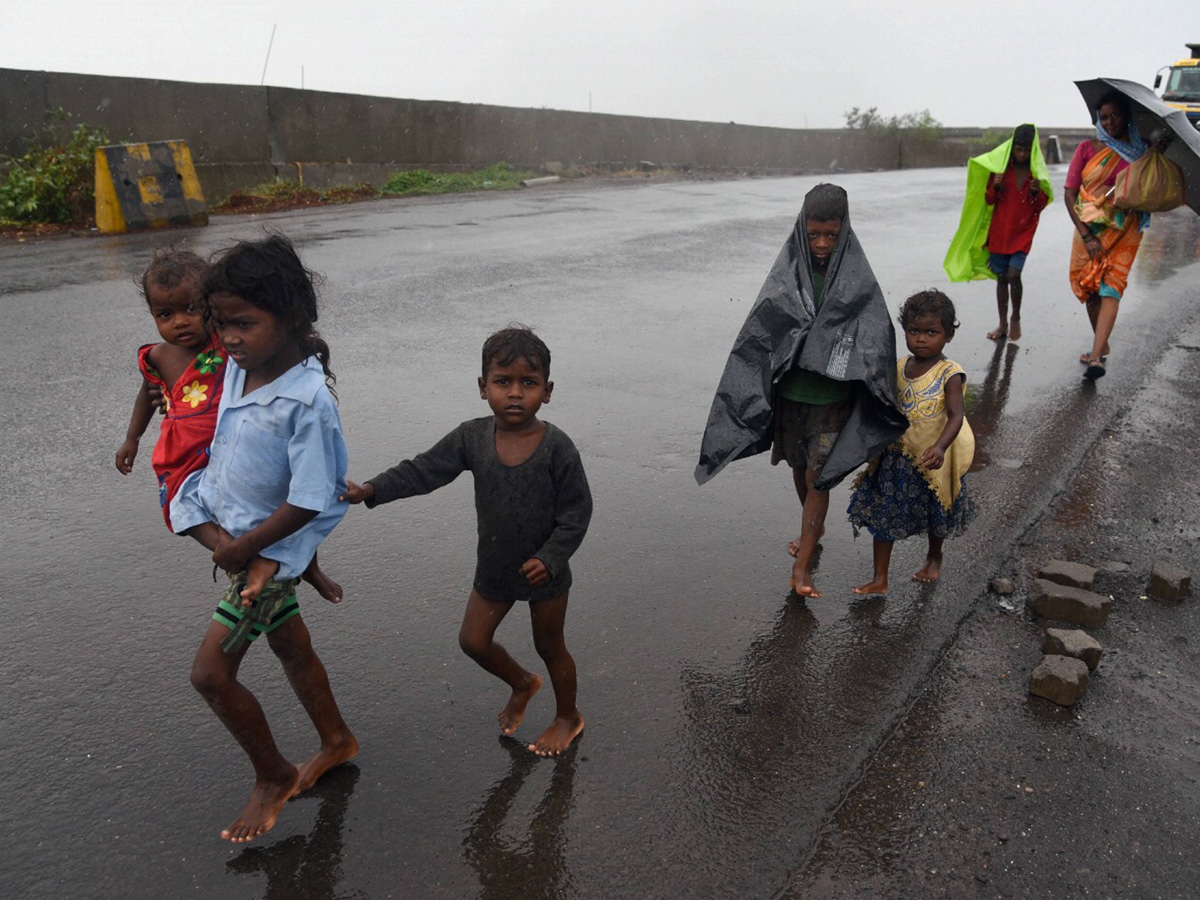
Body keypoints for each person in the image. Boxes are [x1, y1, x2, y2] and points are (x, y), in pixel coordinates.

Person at [170, 235, 358, 843]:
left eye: (243, 324)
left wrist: (247, 552)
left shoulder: (305, 401)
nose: (227, 338)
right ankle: (337, 740)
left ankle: (273, 775)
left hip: (261, 559)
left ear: (293, 318)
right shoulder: (239, 369)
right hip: (245, 541)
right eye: (220, 324)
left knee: (210, 675)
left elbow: (308, 497)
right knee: (293, 650)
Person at [342, 326, 592, 757]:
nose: (515, 394)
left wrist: (551, 557)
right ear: (483, 387)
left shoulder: (558, 448)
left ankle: (568, 716)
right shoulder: (472, 438)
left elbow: (577, 512)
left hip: (545, 574)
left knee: (550, 646)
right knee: (473, 642)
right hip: (494, 566)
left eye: (528, 384)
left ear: (547, 391)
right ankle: (521, 682)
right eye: (503, 382)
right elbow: (424, 470)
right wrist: (373, 489)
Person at [694, 183, 907, 598]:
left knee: (819, 477)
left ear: (845, 230)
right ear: (801, 229)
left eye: (831, 234)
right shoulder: (789, 272)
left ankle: (803, 563)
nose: (822, 244)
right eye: (814, 235)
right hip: (792, 397)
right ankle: (814, 529)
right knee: (798, 467)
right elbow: (764, 329)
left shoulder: (856, 278)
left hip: (830, 401)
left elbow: (875, 334)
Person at [115, 247, 342, 603]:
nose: (180, 322)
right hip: (189, 452)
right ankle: (239, 554)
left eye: (192, 310)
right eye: (165, 314)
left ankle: (291, 563)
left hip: (234, 441)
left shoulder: (229, 349)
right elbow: (148, 393)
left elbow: (275, 349)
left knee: (276, 501)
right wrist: (132, 438)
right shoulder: (158, 356)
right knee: (181, 507)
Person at [847, 290, 976, 592]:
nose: (921, 339)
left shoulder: (950, 373)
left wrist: (941, 447)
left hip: (932, 460)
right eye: (914, 331)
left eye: (932, 332)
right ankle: (880, 577)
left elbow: (956, 416)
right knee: (884, 514)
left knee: (936, 512)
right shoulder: (900, 365)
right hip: (896, 457)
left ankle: (934, 556)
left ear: (948, 335)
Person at [1066, 90, 1151, 380]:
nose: (1110, 121)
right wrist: (1086, 235)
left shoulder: (1141, 150)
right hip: (1088, 230)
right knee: (1089, 289)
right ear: (1097, 120)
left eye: (1115, 115)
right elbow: (1069, 193)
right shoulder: (1088, 149)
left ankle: (1097, 356)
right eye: (1104, 117)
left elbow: (1151, 186)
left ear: (1126, 116)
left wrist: (1155, 156)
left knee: (1111, 287)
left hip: (1125, 231)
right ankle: (1101, 344)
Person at [943, 124, 1053, 342]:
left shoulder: (1035, 173)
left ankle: (1016, 318)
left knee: (1014, 275)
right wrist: (996, 186)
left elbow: (1040, 205)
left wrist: (1035, 192)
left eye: (1026, 150)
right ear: (1013, 148)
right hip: (1000, 233)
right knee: (1001, 278)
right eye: (1018, 149)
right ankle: (1002, 323)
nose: (1022, 154)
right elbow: (990, 200)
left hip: (1022, 234)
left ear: (1032, 151)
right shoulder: (1001, 170)